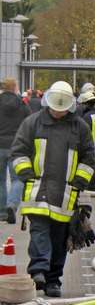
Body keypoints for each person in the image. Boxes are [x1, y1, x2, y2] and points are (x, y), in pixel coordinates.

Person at [12, 81, 95, 298]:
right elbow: (19, 152)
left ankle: (53, 282)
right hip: (37, 190)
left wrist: (79, 183)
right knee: (39, 230)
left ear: (69, 105)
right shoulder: (33, 123)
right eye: (54, 105)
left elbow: (88, 159)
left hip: (65, 195)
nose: (57, 110)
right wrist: (27, 175)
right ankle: (38, 270)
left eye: (62, 106)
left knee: (60, 238)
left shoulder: (80, 128)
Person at [0, 78, 31, 223]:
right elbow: (30, 125)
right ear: (14, 89)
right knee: (17, 179)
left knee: (0, 180)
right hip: (16, 147)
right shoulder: (22, 106)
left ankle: (1, 212)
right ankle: (12, 204)